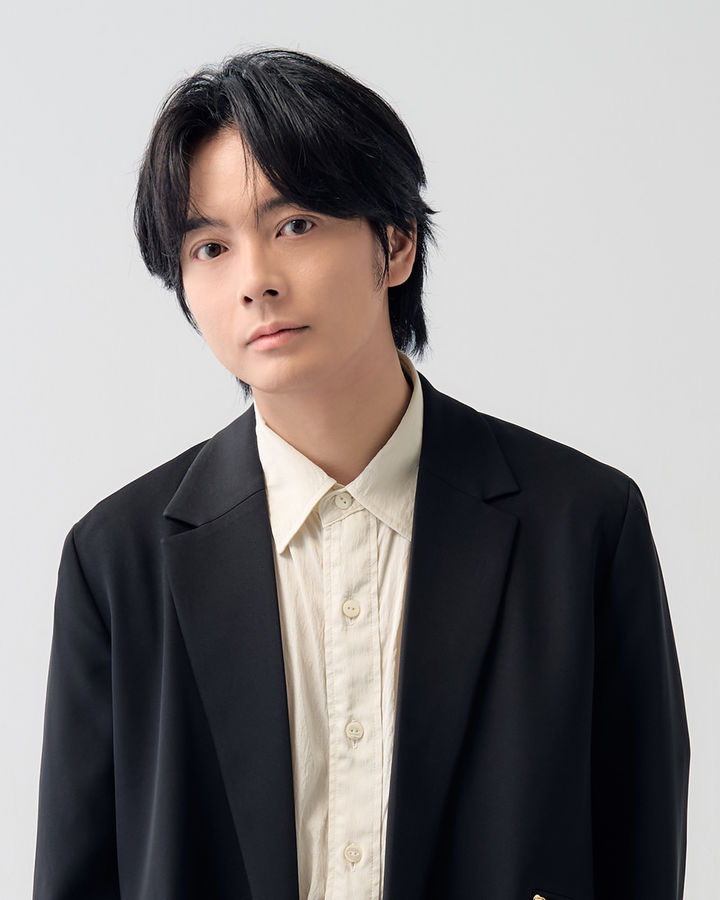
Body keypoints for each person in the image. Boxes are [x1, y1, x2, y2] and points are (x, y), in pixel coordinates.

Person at [32, 48, 690, 900]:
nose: (255, 281)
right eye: (210, 246)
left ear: (397, 243)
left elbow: (641, 855)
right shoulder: (115, 560)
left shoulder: (584, 525)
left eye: (295, 226)